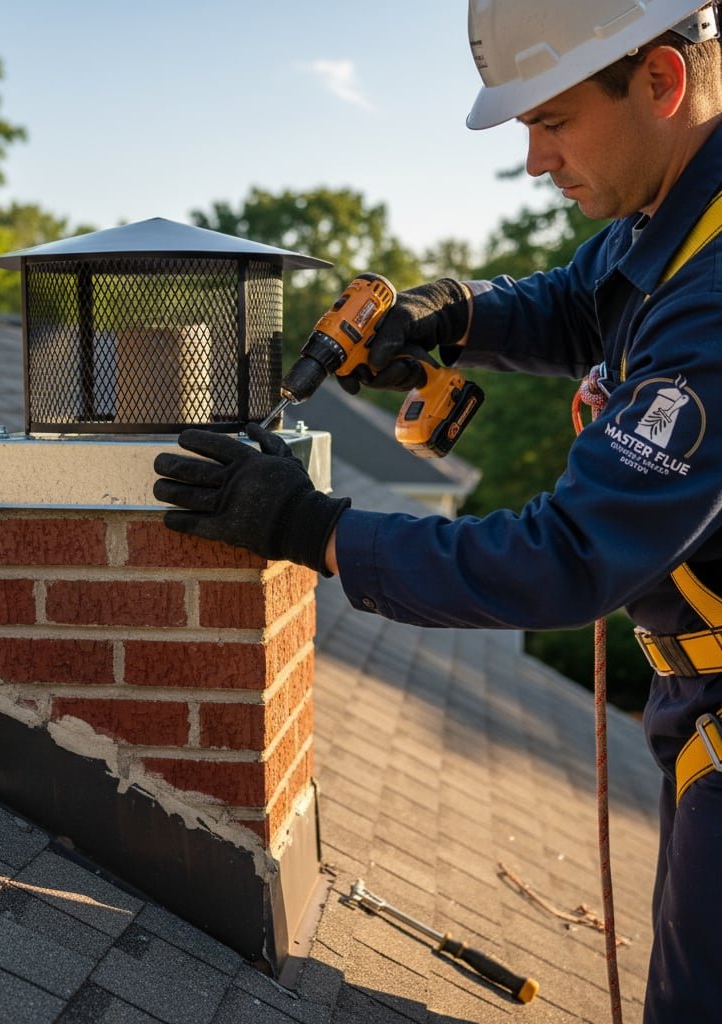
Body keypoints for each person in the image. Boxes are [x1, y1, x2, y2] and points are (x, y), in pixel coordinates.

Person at [152, 2, 722, 1021]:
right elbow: (572, 302)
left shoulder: (716, 290)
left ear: (661, 84)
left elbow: (567, 558)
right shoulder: (672, 216)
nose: (535, 161)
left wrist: (308, 529)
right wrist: (454, 309)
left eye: (550, 120)